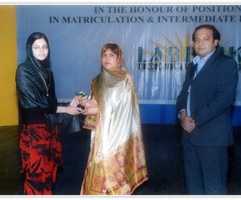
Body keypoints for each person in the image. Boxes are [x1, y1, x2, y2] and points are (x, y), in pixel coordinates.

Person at [15, 32, 83, 195]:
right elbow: (36, 103)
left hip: (50, 130)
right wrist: (66, 109)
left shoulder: (47, 72)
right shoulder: (23, 71)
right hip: (33, 134)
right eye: (36, 47)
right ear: (29, 49)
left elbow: (50, 103)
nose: (41, 51)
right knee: (36, 175)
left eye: (45, 47)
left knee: (50, 174)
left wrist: (68, 106)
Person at [176, 24, 238, 194]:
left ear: (216, 42)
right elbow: (183, 95)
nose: (200, 43)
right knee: (193, 187)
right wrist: (182, 115)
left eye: (206, 39)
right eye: (196, 39)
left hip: (212, 139)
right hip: (188, 136)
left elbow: (223, 99)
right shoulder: (192, 66)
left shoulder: (226, 64)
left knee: (214, 188)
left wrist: (194, 119)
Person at [79, 43, 148, 195]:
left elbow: (126, 109)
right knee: (98, 171)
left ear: (118, 59)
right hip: (101, 134)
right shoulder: (96, 81)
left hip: (119, 134)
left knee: (116, 177)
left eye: (111, 55)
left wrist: (99, 109)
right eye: (104, 55)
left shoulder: (125, 79)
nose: (107, 58)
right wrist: (89, 104)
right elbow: (98, 105)